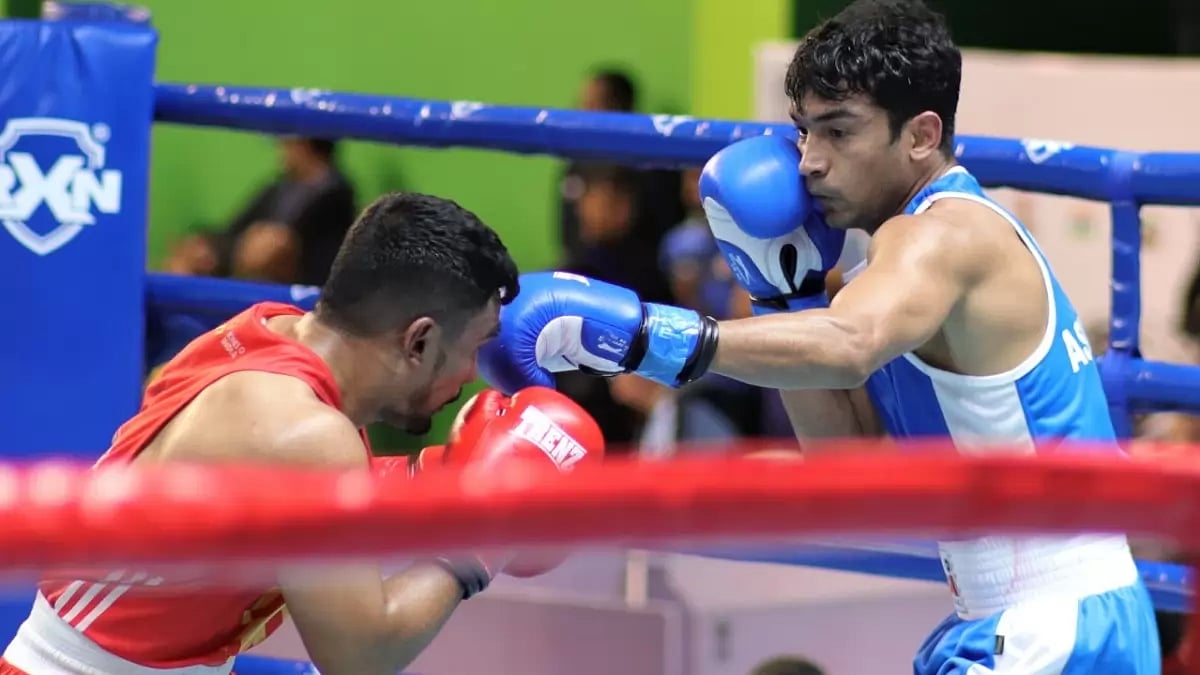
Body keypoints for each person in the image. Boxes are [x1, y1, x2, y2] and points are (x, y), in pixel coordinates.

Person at [475, 0, 1160, 672]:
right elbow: (850, 455)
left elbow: (851, 340)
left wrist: (650, 337)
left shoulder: (943, 235)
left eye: (838, 131)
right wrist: (782, 297)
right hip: (1024, 610)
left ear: (920, 135)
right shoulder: (889, 258)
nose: (808, 160)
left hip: (1053, 619)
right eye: (804, 131)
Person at [0, 192, 605, 675]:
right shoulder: (305, 435)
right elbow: (362, 656)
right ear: (419, 340)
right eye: (470, 350)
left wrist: (439, 476)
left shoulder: (266, 332)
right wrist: (486, 532)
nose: (472, 376)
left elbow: (288, 502)